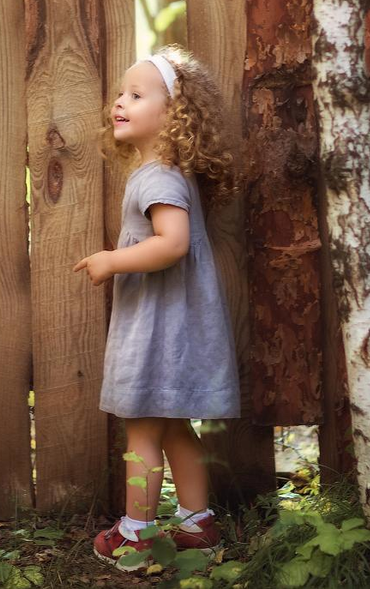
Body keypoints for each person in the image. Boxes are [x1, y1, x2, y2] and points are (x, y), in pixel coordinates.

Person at [73, 45, 242, 571]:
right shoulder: (168, 173)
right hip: (174, 325)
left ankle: (137, 537)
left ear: (174, 114)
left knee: (143, 429)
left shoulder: (159, 177)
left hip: (158, 328)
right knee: (172, 428)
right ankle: (197, 526)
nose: (119, 103)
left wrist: (112, 260)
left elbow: (171, 243)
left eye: (136, 94)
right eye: (121, 93)